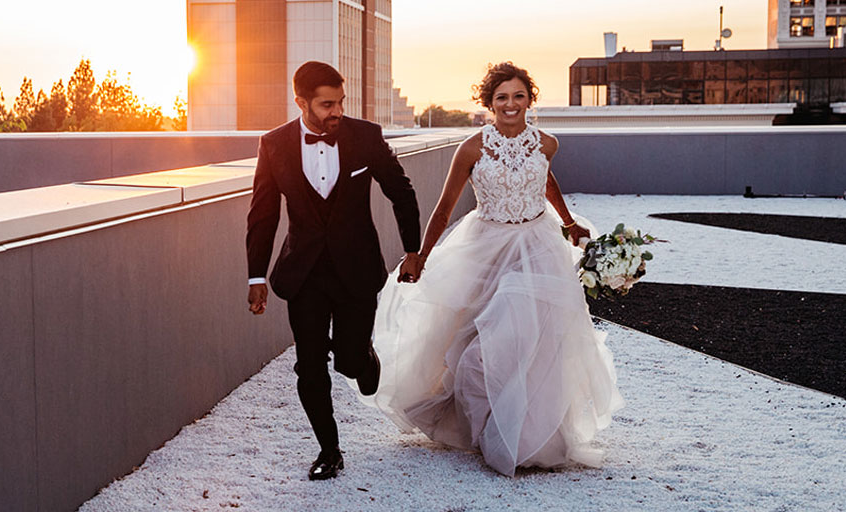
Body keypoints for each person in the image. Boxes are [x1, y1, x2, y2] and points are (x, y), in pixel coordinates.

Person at [367, 61, 622, 476]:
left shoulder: (547, 143)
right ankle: (488, 426)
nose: (510, 104)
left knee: (538, 342)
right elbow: (444, 207)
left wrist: (569, 221)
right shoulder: (471, 148)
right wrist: (421, 255)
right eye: (502, 97)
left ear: (529, 99)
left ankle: (532, 437)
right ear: (489, 103)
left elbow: (544, 181)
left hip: (538, 246)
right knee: (482, 346)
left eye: (518, 95)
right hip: (487, 247)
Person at [247, 61, 422, 481]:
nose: (337, 111)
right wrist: (256, 277)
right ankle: (329, 450)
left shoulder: (366, 137)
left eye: (341, 102)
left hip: (356, 268)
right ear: (301, 102)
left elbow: (401, 192)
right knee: (309, 365)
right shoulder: (273, 145)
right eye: (327, 104)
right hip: (304, 272)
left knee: (345, 360)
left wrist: (412, 250)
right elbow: (262, 216)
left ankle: (361, 358)